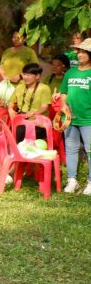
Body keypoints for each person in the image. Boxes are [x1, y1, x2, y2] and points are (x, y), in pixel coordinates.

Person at [59, 38, 91, 194]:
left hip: (88, 119)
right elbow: (63, 92)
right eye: (79, 51)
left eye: (84, 52)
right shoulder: (70, 72)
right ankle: (72, 181)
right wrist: (63, 105)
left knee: (90, 150)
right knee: (71, 149)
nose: (79, 55)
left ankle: (90, 182)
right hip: (70, 119)